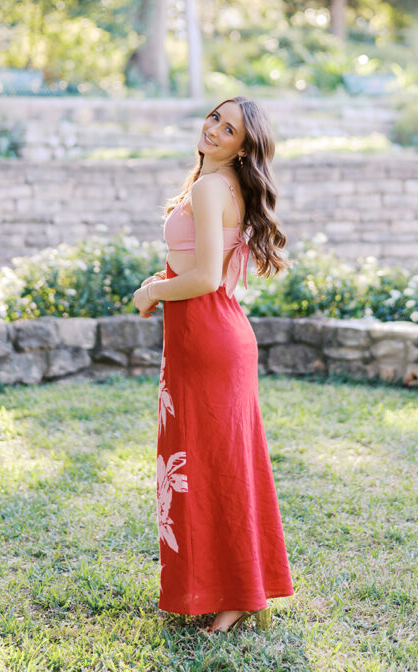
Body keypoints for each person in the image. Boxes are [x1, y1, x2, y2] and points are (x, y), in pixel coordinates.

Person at [132, 96, 294, 633]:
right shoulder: (225, 186)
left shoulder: (209, 188)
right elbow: (204, 266)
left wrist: (151, 289)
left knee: (215, 468)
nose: (215, 130)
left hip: (207, 335)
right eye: (214, 118)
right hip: (212, 334)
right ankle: (232, 588)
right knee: (217, 466)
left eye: (229, 129)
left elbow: (202, 277)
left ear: (243, 146)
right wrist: (168, 282)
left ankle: (235, 596)